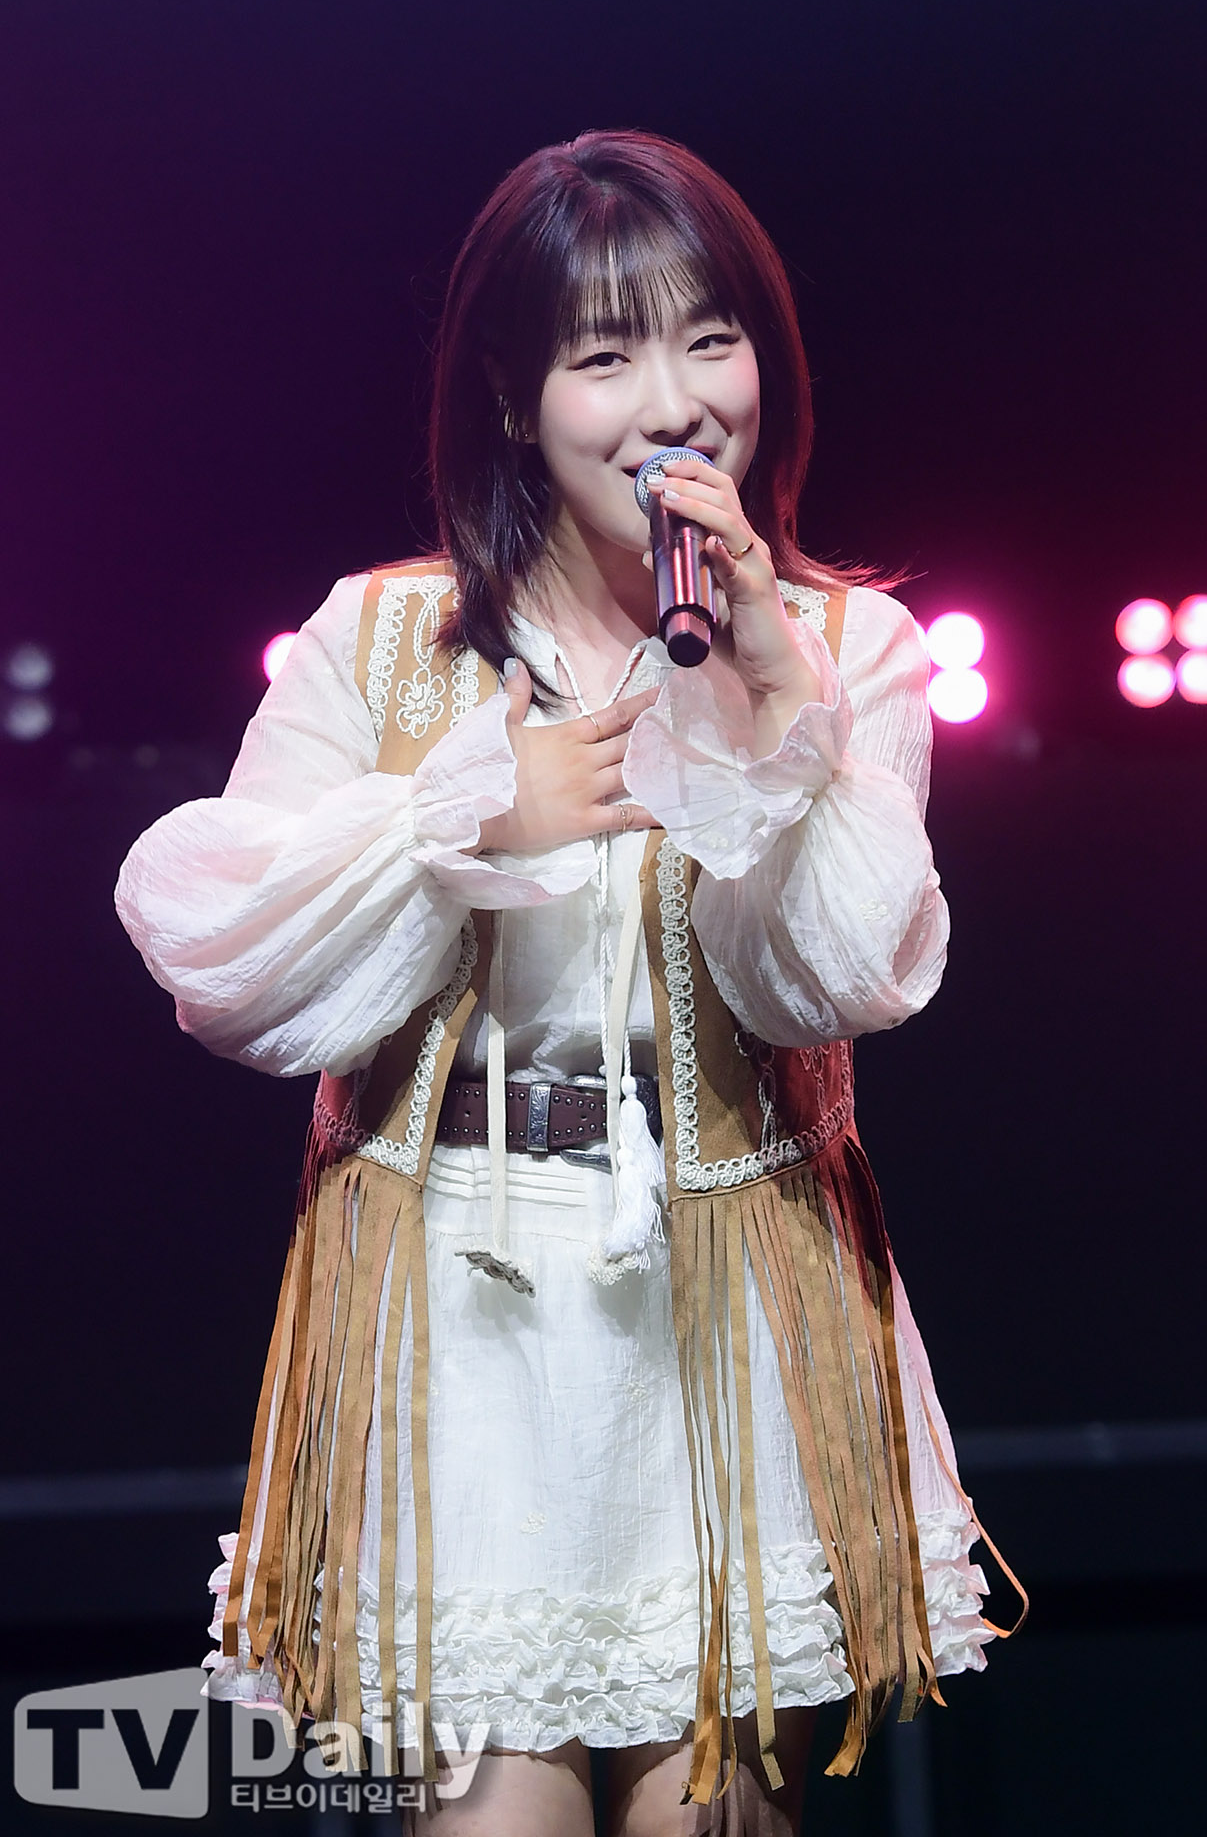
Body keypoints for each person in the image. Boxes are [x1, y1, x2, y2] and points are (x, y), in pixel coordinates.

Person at [115, 130, 1019, 1837]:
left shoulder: (849, 651)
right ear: (514, 398)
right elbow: (220, 955)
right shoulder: (379, 642)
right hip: (457, 1299)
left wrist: (771, 703)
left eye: (711, 341)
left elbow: (836, 979)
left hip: (725, 1299)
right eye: (606, 358)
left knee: (711, 1813)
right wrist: (459, 819)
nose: (675, 406)